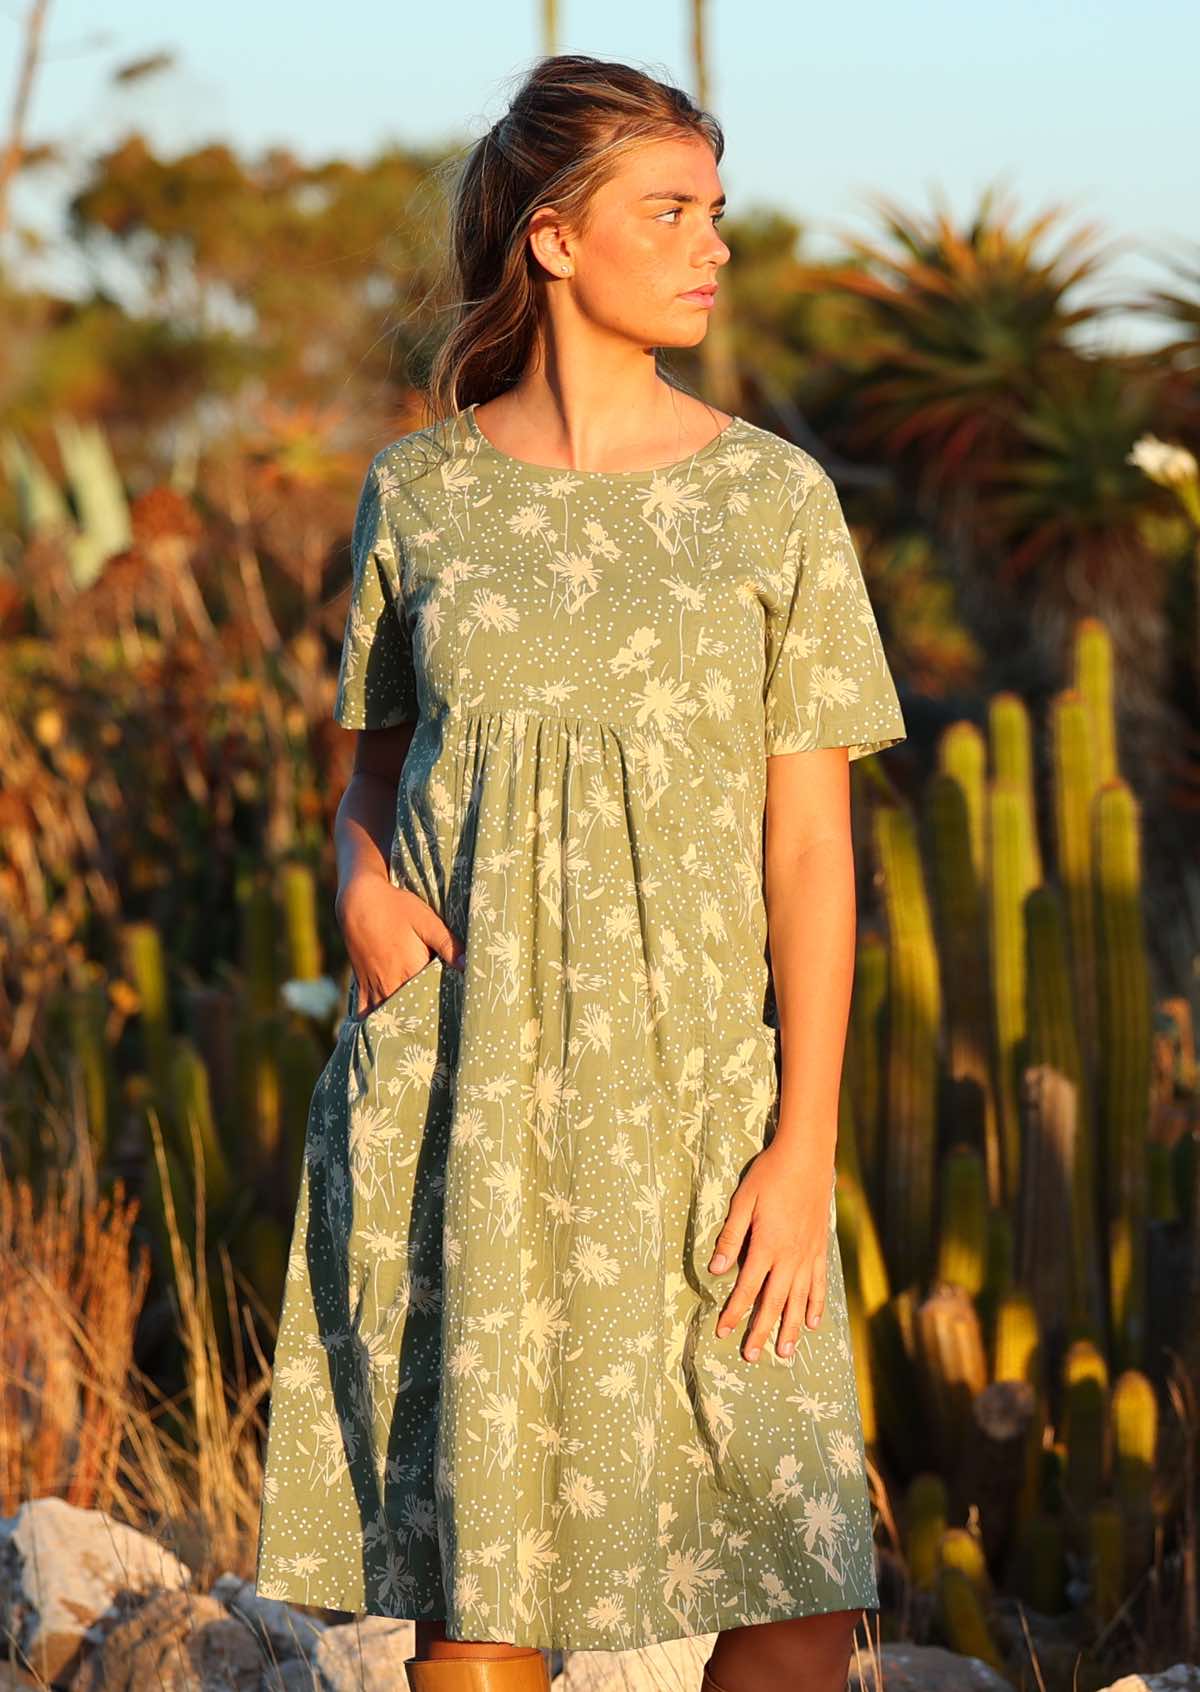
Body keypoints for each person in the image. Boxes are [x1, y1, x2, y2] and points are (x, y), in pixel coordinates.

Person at [254, 51, 906, 1692]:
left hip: (703, 1106)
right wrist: (357, 887)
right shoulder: (424, 492)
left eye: (719, 216)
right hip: (472, 1097)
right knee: (492, 1582)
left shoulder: (772, 500)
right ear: (552, 237)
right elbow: (377, 768)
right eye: (670, 212)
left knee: (799, 1581)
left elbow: (813, 845)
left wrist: (802, 1144)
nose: (713, 249)